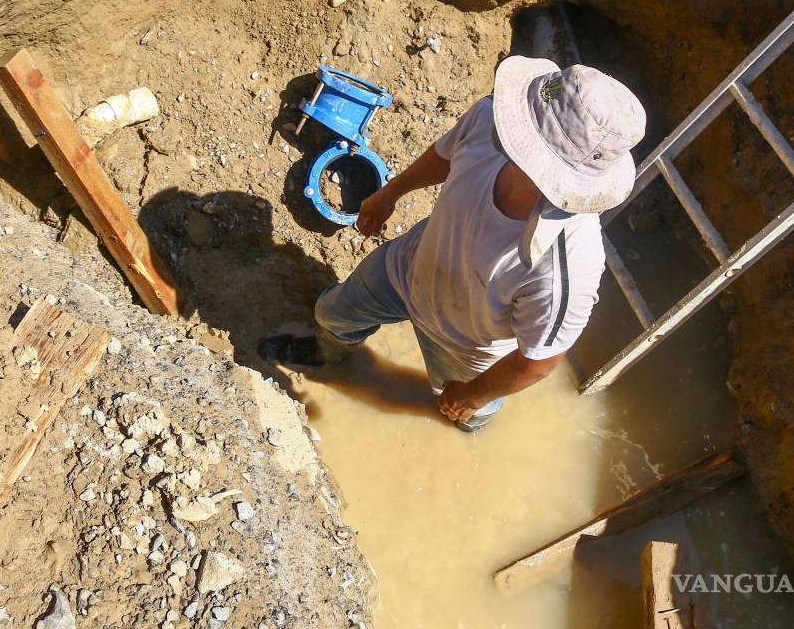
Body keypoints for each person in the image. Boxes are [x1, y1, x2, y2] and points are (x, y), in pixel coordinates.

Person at [263, 56, 646, 431]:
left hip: (465, 348)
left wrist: (473, 394)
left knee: (465, 415)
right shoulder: (490, 119)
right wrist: (390, 193)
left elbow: (539, 361)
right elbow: (445, 155)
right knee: (332, 316)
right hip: (408, 268)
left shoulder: (567, 263)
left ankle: (469, 417)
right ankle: (329, 358)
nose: (509, 123)